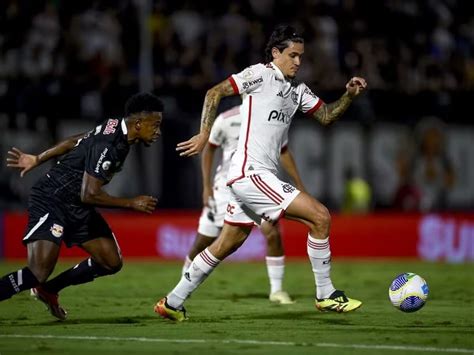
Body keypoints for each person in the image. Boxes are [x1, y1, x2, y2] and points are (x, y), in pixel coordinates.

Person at [154, 24, 367, 321]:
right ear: (276, 53)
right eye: (292, 55)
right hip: (249, 174)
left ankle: (172, 302)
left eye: (301, 56)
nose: (298, 62)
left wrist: (349, 95)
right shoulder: (260, 74)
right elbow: (215, 92)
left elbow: (327, 116)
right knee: (320, 216)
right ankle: (326, 293)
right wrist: (204, 134)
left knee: (227, 243)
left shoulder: (297, 91)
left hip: (253, 178)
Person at [0, 92, 163, 320]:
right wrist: (130, 202)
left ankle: (49, 290)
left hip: (76, 204)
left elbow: (77, 140)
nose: (158, 132)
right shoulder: (110, 144)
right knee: (38, 271)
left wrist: (39, 158)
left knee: (110, 261)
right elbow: (90, 194)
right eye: (155, 125)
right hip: (53, 199)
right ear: (138, 124)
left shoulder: (113, 125)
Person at [182, 105, 307, 304]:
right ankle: (183, 286)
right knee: (204, 241)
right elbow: (208, 150)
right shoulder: (225, 119)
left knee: (272, 232)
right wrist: (206, 187)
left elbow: (283, 152)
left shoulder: (273, 120)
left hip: (255, 188)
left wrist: (299, 183)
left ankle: (276, 290)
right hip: (223, 190)